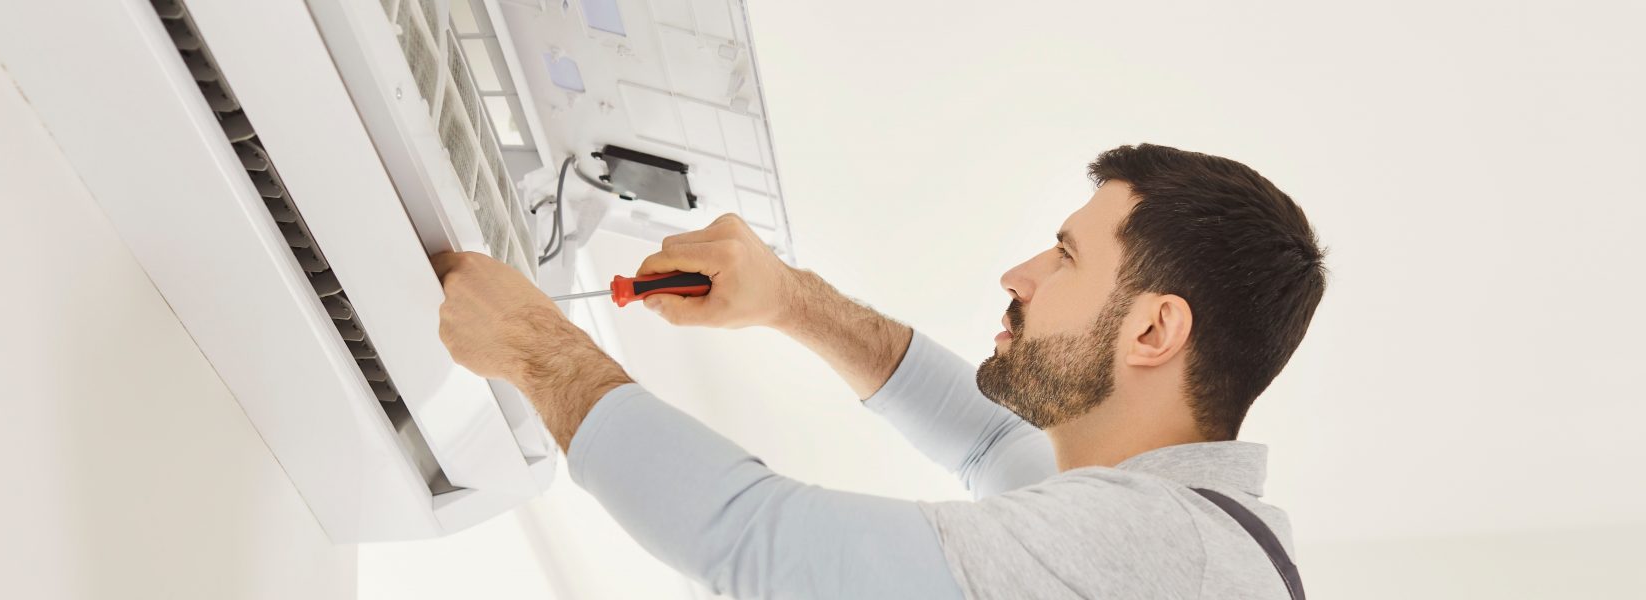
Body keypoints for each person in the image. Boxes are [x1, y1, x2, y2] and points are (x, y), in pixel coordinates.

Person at [430, 144, 1327, 599]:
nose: (1019, 277)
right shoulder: (1175, 531)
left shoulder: (1158, 548)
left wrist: (535, 348)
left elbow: (759, 544)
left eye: (1064, 256)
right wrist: (789, 298)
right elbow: (984, 438)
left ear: (1154, 329)